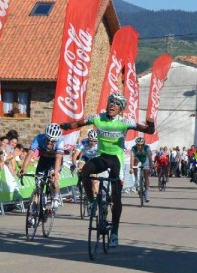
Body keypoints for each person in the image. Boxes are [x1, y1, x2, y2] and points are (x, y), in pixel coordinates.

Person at [60, 93, 156, 248]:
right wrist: (64, 126)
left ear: (120, 109)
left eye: (116, 104)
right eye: (110, 102)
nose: (112, 105)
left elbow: (148, 131)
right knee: (84, 171)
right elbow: (78, 124)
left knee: (116, 197)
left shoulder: (125, 122)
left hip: (116, 160)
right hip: (102, 157)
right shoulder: (97, 118)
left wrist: (151, 125)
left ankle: (115, 233)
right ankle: (92, 202)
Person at [18, 123, 65, 210]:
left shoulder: (60, 141)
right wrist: (23, 168)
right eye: (48, 140)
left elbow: (58, 158)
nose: (50, 143)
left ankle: (55, 198)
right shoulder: (39, 138)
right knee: (39, 183)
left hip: (55, 161)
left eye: (53, 141)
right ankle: (34, 210)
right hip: (44, 159)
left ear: (56, 140)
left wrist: (55, 172)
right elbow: (30, 154)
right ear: (45, 136)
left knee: (52, 180)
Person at [130, 136, 153, 202]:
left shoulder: (147, 148)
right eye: (138, 145)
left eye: (141, 145)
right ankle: (136, 178)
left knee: (146, 176)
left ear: (143, 144)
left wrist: (151, 164)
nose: (139, 146)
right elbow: (131, 158)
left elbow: (150, 157)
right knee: (134, 161)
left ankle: (146, 192)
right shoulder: (133, 148)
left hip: (144, 159)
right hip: (137, 158)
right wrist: (131, 167)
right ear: (136, 144)